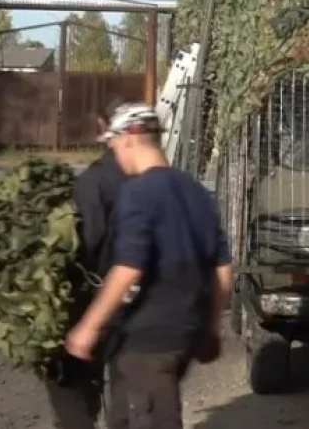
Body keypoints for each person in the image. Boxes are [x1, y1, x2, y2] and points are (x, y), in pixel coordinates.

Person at [65, 102, 233, 429]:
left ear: (129, 138)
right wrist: (211, 328)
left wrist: (90, 325)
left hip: (149, 338)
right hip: (185, 333)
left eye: (114, 146)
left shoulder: (138, 193)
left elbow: (128, 268)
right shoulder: (196, 191)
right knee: (124, 418)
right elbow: (222, 267)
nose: (115, 156)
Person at [45, 99, 127, 429]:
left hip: (104, 302)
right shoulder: (167, 179)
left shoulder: (95, 183)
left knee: (67, 378)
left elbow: (86, 244)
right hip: (157, 309)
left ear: (103, 126)